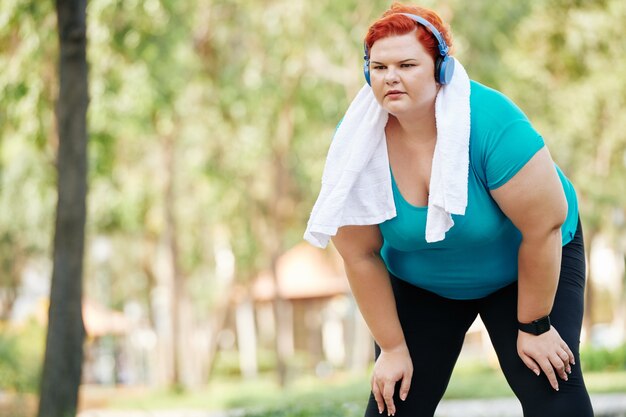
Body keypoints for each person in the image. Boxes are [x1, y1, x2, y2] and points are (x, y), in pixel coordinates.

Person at [319, 3, 594, 417]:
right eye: (379, 67)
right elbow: (358, 253)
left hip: (526, 271)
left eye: (407, 64)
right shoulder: (355, 144)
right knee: (395, 402)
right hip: (423, 282)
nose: (391, 76)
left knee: (553, 394)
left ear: (441, 69)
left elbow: (544, 226)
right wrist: (392, 349)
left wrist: (535, 326)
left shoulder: (491, 122)